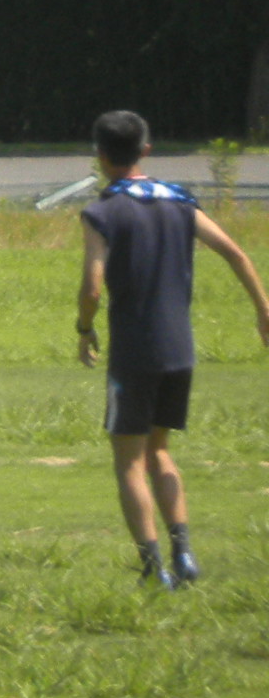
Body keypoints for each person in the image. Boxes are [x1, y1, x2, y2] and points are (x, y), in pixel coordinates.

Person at [78, 110, 269, 588]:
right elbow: (236, 253)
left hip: (135, 351)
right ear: (146, 149)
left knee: (128, 459)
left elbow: (93, 288)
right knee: (160, 450)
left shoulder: (103, 211)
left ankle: (152, 567)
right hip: (179, 349)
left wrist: (84, 328)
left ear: (101, 156)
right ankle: (184, 553)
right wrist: (263, 310)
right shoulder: (182, 202)